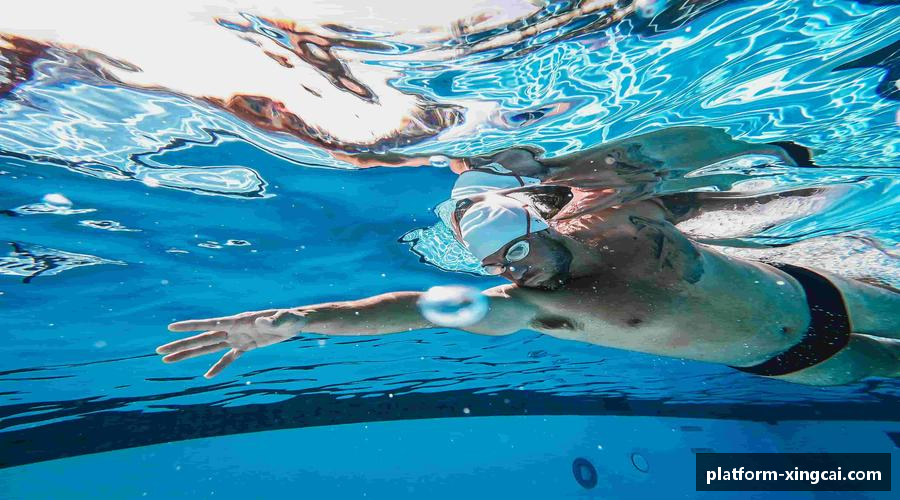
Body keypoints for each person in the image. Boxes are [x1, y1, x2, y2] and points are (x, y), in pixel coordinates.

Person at [156, 128, 900, 386]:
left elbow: (680, 148)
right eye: (497, 266)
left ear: (543, 223)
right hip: (793, 361)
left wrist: (775, 146)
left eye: (515, 250)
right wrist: (298, 321)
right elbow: (415, 310)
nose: (510, 271)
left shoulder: (620, 213)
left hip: (816, 289)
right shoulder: (541, 307)